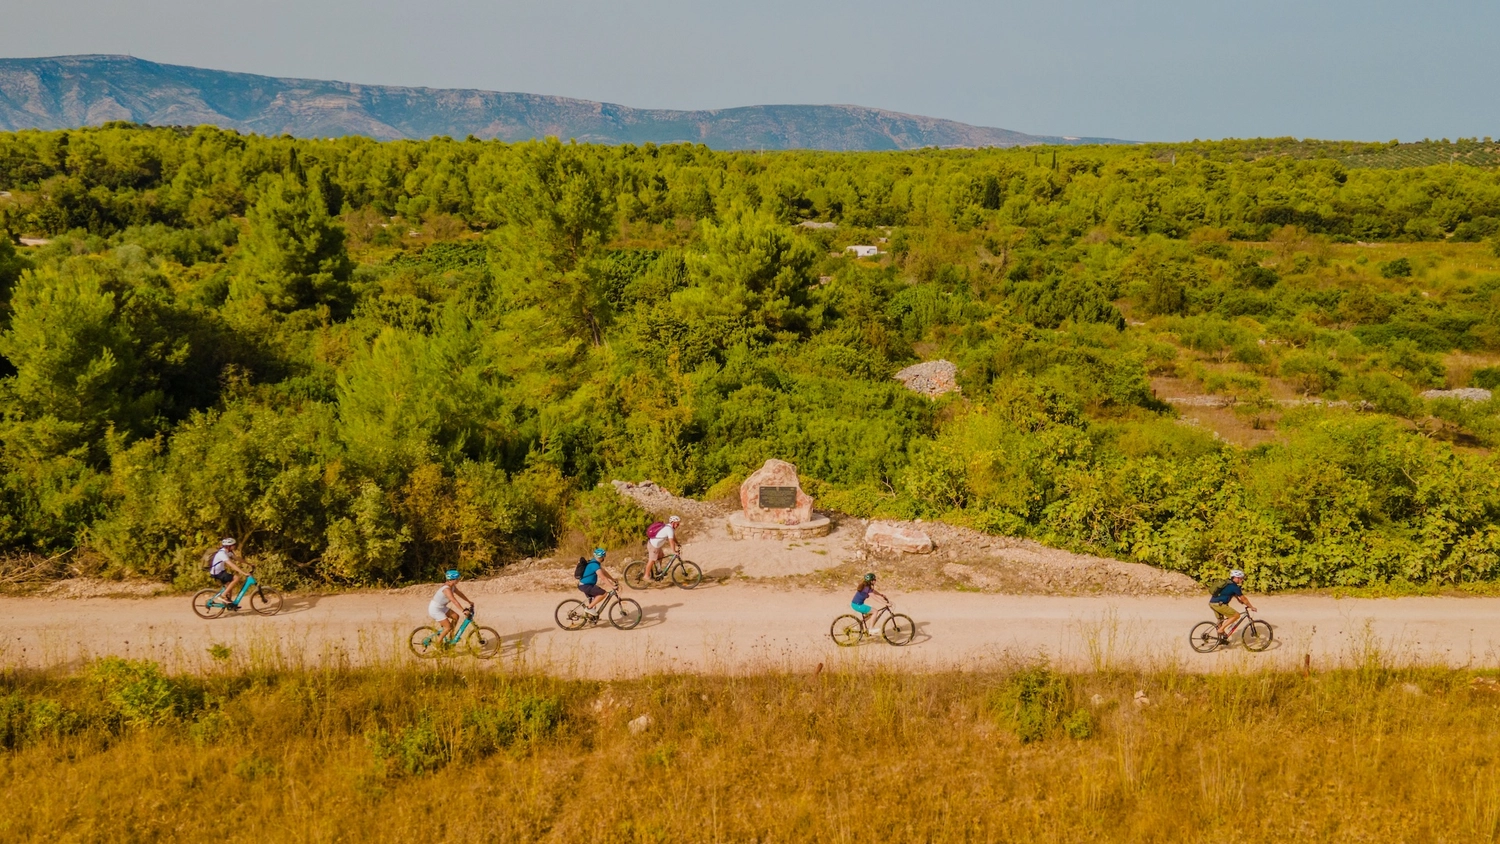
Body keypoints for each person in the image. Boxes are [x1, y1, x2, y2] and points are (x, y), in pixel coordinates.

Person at [1210, 569, 1256, 640]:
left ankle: (1220, 639)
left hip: (1213, 602)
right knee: (1236, 615)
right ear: (1236, 578)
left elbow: (1232, 593)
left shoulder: (1228, 583)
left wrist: (1238, 600)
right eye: (1241, 578)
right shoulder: (1235, 587)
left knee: (1220, 620)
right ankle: (1221, 629)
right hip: (1219, 604)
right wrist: (1251, 607)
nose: (1242, 580)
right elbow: (1244, 598)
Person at [429, 570, 473, 642]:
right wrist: (463, 610)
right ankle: (438, 645)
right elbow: (454, 601)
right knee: (448, 627)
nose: (459, 580)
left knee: (456, 617)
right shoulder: (446, 589)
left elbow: (460, 594)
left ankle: (451, 638)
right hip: (435, 609)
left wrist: (469, 601)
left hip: (441, 607)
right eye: (458, 579)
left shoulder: (452, 586)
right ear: (453, 579)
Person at [209, 538, 249, 610]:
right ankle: (222, 595)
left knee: (229, 585)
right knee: (236, 578)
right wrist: (244, 573)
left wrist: (249, 563)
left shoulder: (228, 552)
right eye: (233, 545)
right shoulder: (222, 553)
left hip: (221, 571)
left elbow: (237, 559)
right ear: (228, 546)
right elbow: (231, 564)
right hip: (217, 573)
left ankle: (230, 605)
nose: (234, 546)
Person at [578, 548, 618, 617]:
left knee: (594, 602)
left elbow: (604, 572)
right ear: (601, 557)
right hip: (586, 586)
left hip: (585, 585)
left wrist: (613, 579)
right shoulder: (595, 565)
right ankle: (588, 608)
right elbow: (603, 577)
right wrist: (612, 586)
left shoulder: (594, 562)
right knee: (603, 593)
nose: (604, 558)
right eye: (603, 557)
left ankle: (590, 618)